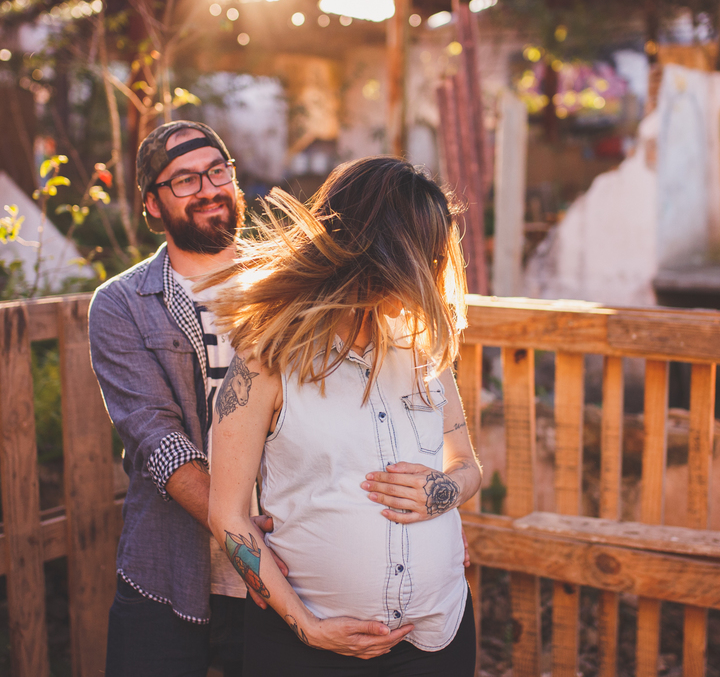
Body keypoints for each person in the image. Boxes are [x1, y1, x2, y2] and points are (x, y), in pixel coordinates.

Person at [205, 156, 482, 676]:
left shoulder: (424, 346)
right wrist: (306, 626)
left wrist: (441, 491)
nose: (438, 272)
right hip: (307, 652)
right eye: (428, 256)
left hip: (438, 639)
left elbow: (467, 465)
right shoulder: (266, 359)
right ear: (384, 253)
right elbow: (229, 516)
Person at [89, 120, 264, 677]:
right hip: (168, 571)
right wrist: (246, 538)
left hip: (293, 571)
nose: (209, 189)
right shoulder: (122, 305)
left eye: (218, 172)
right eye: (185, 180)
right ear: (153, 206)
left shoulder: (287, 284)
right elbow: (157, 442)